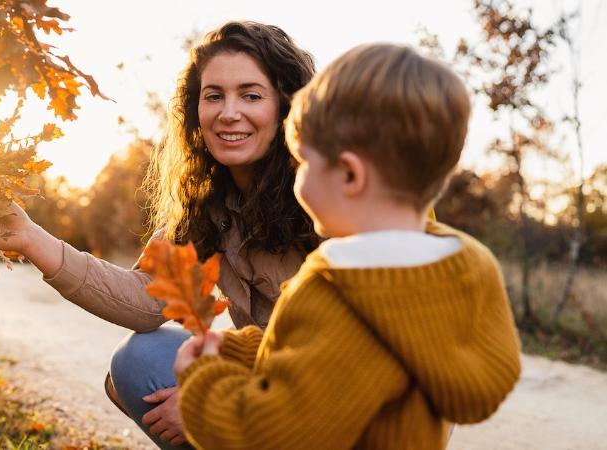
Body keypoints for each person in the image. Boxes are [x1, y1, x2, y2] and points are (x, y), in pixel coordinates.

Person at [0, 21, 319, 449]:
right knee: (137, 364)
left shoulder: (329, 194)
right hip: (279, 385)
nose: (229, 113)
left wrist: (221, 403)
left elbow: (348, 349)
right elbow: (146, 302)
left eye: (251, 95)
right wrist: (30, 238)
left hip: (351, 401)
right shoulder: (209, 207)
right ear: (196, 111)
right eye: (214, 96)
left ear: (287, 105)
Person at [173, 43, 523, 449]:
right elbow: (318, 348)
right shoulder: (465, 263)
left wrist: (205, 377)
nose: (296, 177)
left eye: (303, 163)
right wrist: (235, 349)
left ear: (350, 176)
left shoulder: (338, 291)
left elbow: (267, 435)